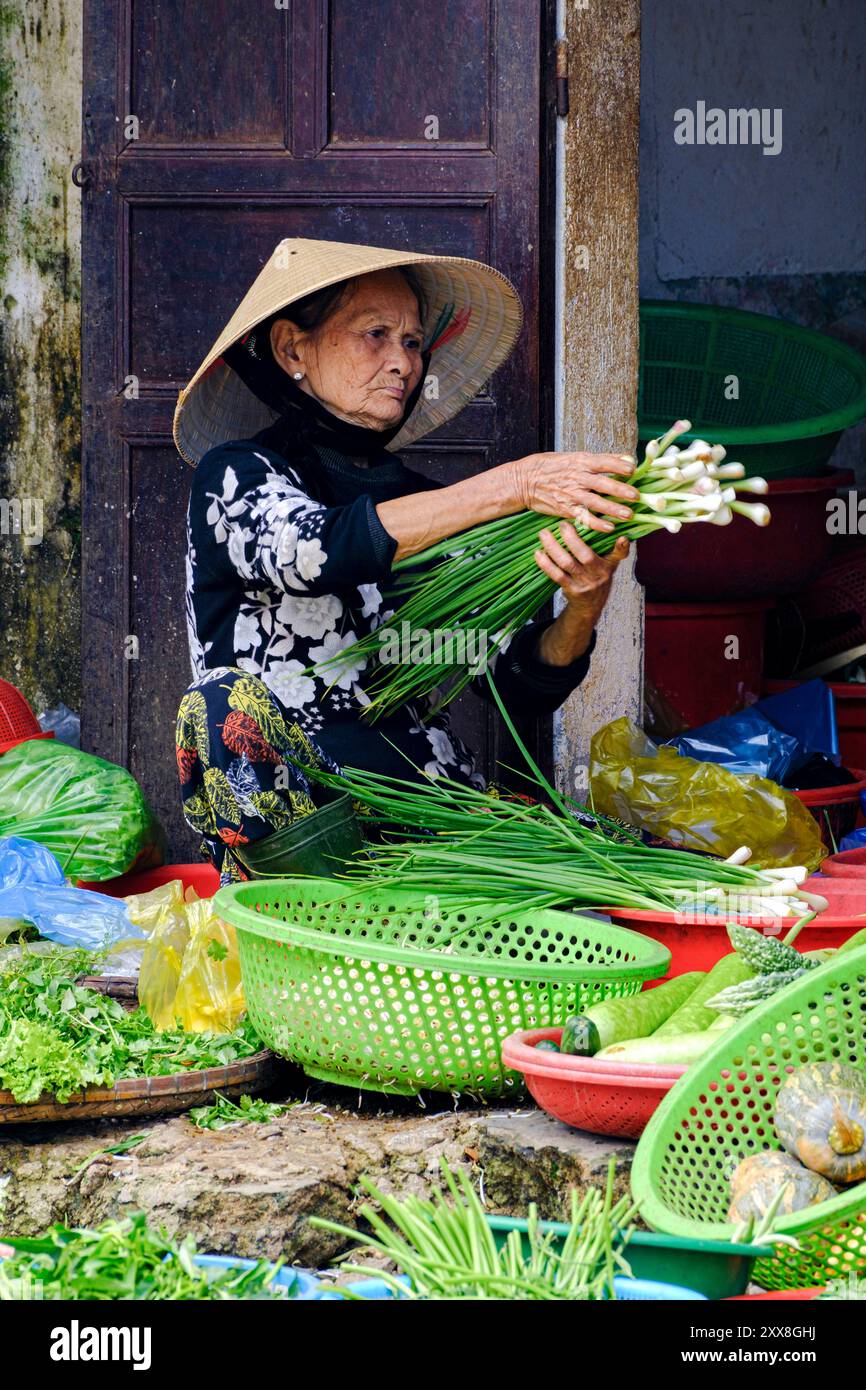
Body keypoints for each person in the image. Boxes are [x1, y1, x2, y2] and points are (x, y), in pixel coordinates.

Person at [172, 238, 637, 882]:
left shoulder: (425, 505)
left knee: (619, 864)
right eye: (375, 335)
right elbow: (317, 550)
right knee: (222, 706)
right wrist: (513, 486)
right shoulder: (238, 476)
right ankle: (304, 910)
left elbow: (513, 682)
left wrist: (584, 605)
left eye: (413, 343)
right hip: (306, 820)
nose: (402, 363)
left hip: (428, 809)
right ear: (293, 349)